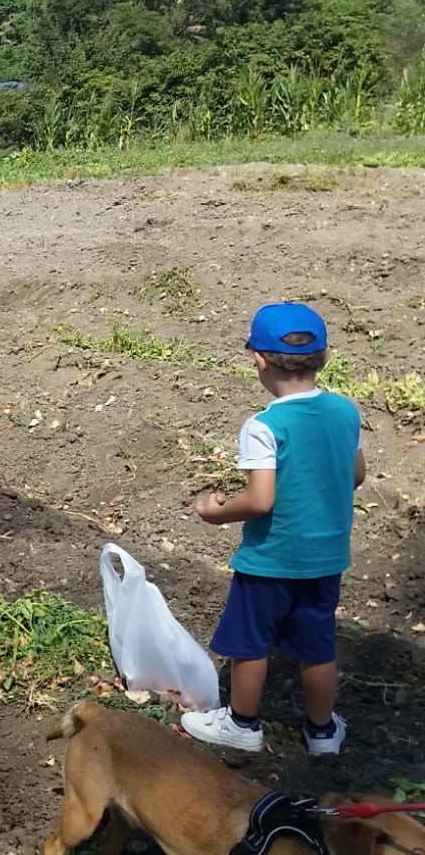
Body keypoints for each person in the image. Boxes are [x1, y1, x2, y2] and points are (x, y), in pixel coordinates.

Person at [181, 302, 364, 755]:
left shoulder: (264, 425)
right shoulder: (345, 411)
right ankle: (322, 733)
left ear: (259, 360)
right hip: (325, 558)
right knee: (317, 644)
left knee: (250, 642)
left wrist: (216, 511)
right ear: (324, 357)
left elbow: (261, 500)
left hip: (271, 560)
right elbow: (356, 474)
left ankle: (242, 724)